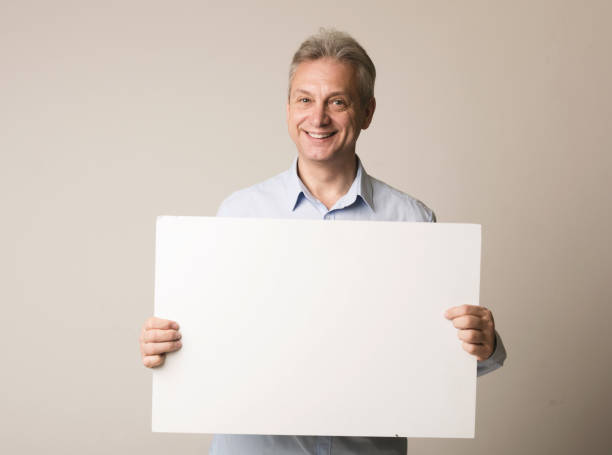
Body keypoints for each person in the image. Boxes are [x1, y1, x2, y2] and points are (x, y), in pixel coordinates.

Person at [139, 28, 506, 455]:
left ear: (367, 112)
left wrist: (482, 344)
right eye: (304, 100)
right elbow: (207, 346)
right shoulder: (238, 214)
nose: (318, 118)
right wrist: (167, 346)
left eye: (337, 101)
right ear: (289, 108)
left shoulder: (413, 221)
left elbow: (434, 363)